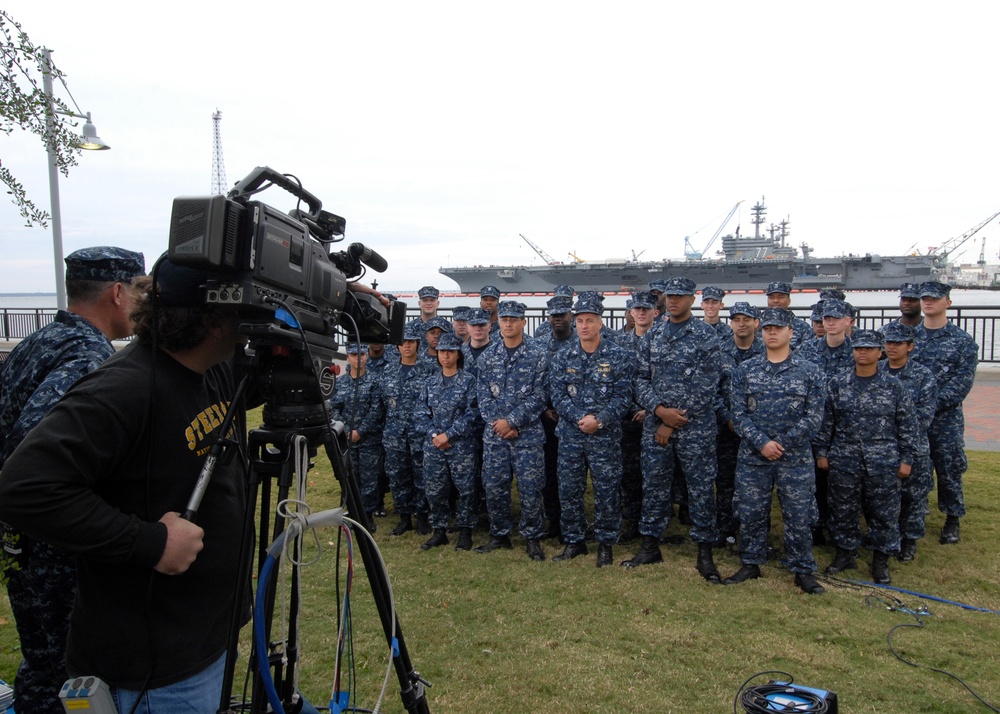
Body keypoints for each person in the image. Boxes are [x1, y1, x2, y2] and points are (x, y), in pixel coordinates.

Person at [0, 257, 253, 712]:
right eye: (247, 311)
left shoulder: (210, 369)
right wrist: (149, 541)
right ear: (215, 321)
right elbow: (23, 486)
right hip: (154, 670)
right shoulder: (123, 389)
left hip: (205, 636)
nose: (254, 324)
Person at [0, 246, 145, 714]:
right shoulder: (87, 358)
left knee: (41, 668)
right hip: (57, 550)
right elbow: (34, 453)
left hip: (22, 543)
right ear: (118, 293)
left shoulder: (41, 341)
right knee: (74, 676)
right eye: (141, 290)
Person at [624, 277, 723, 583]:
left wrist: (672, 418)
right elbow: (639, 379)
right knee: (654, 486)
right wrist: (658, 411)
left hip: (695, 427)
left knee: (701, 489)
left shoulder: (706, 336)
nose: (674, 301)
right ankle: (650, 546)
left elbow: (708, 385)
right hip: (657, 424)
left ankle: (705, 553)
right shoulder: (652, 336)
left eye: (681, 296)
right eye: (670, 296)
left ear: (692, 300)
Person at [723, 308, 828, 595]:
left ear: (790, 333)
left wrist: (781, 443)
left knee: (799, 514)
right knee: (751, 511)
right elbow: (739, 414)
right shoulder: (745, 370)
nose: (772, 332)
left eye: (778, 328)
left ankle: (802, 569)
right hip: (754, 457)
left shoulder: (810, 372)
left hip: (794, 458)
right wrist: (761, 443)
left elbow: (814, 417)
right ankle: (750, 562)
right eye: (767, 327)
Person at [815, 330, 919, 585]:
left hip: (883, 459)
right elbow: (826, 422)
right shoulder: (837, 384)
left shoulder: (894, 386)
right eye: (858, 348)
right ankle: (844, 554)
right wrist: (822, 452)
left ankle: (880, 561)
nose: (862, 352)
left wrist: (907, 459)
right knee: (843, 509)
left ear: (879, 352)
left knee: (883, 512)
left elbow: (907, 425)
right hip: (844, 457)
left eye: (869, 348)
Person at [548, 293, 633, 567]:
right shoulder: (563, 356)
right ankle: (575, 541)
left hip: (604, 437)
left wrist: (600, 420)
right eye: (580, 320)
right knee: (570, 489)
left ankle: (606, 542)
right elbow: (557, 395)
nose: (584, 326)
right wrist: (578, 418)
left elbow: (624, 396)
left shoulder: (618, 355)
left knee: (606, 490)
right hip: (571, 436)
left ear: (600, 323)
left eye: (590, 320)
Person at [474, 300, 549, 561]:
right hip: (496, 437)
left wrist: (513, 422)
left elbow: (541, 395)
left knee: (531, 489)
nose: (508, 323)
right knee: (495, 487)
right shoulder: (487, 357)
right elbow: (482, 397)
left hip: (527, 436)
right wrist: (501, 424)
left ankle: (532, 537)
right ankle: (500, 535)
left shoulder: (538, 354)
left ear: (523, 322)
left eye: (513, 319)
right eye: (504, 319)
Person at [911, 281, 978, 544]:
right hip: (914, 419)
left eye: (934, 299)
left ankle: (952, 518)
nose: (928, 303)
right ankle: (917, 514)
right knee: (917, 468)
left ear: (947, 303)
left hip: (945, 418)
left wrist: (929, 404)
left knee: (949, 468)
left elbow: (962, 383)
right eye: (924, 298)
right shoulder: (910, 337)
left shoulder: (962, 342)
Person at [413, 333, 479, 551]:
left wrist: (448, 435)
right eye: (442, 351)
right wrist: (435, 436)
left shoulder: (469, 381)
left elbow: (473, 414)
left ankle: (465, 531)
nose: (446, 355)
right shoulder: (430, 382)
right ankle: (439, 531)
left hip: (461, 446)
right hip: (434, 447)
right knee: (434, 490)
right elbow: (420, 414)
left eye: (450, 351)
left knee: (466, 490)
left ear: (458, 354)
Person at [880, 322, 938, 562]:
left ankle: (910, 540)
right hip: (880, 446)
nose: (891, 347)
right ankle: (884, 538)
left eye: (898, 344)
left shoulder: (923, 376)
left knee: (912, 496)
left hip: (912, 446)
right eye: (888, 343)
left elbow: (923, 416)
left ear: (910, 346)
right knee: (882, 497)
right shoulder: (876, 369)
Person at [715, 302, 764, 543]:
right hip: (726, 429)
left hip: (758, 431)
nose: (741, 324)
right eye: (737, 320)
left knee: (757, 486)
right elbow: (711, 391)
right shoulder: (719, 351)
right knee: (725, 480)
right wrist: (727, 419)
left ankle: (754, 532)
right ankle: (726, 528)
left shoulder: (768, 352)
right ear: (731, 323)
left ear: (757, 323)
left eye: (747, 319)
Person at [382, 325, 434, 537]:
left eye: (411, 342)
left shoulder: (429, 369)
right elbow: (384, 402)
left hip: (419, 432)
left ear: (417, 345)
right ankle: (404, 518)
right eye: (403, 342)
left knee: (422, 475)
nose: (407, 346)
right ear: (397, 346)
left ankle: (422, 517)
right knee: (397, 475)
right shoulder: (389, 370)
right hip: (394, 433)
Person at [328, 342, 385, 530]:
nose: (358, 359)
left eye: (361, 355)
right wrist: (344, 430)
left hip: (369, 438)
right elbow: (335, 408)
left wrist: (360, 431)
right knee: (350, 476)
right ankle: (353, 513)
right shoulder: (342, 382)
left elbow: (377, 409)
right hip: (347, 440)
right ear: (348, 358)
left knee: (370, 478)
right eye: (354, 355)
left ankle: (367, 515)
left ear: (366, 356)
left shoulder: (375, 381)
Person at [617, 291, 659, 543]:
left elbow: (668, 383)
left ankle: (653, 525)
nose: (641, 313)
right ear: (631, 313)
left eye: (647, 308)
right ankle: (631, 521)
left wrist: (651, 409)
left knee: (655, 475)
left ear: (655, 312)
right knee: (629, 474)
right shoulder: (620, 344)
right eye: (637, 309)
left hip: (656, 417)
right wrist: (633, 410)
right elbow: (617, 382)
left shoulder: (664, 341)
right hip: (628, 418)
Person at [536, 296, 576, 539]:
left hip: (573, 418)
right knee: (549, 472)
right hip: (546, 418)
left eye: (562, 314)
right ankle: (553, 520)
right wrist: (543, 409)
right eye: (554, 315)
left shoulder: (582, 342)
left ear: (570, 316)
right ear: (548, 318)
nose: (558, 318)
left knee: (571, 475)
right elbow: (534, 382)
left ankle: (573, 520)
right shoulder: (540, 345)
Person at [763, 281, 812, 351]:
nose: (775, 301)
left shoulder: (803, 327)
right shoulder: (758, 325)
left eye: (780, 297)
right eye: (771, 297)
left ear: (789, 301)